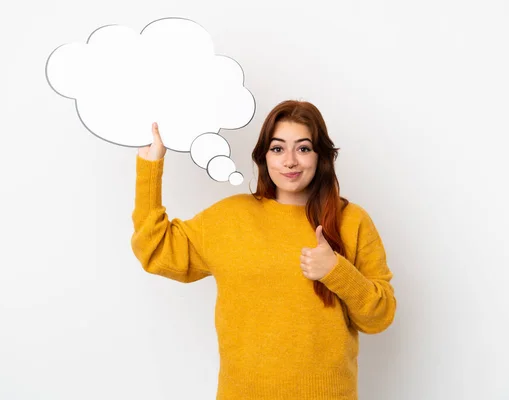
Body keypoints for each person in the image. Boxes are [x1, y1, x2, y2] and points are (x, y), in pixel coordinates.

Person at [131, 100, 396, 400]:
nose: (290, 161)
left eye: (304, 148)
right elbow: (154, 248)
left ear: (320, 155)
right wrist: (150, 165)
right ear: (264, 156)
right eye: (278, 148)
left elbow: (380, 316)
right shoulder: (230, 218)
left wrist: (337, 271)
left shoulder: (352, 220)